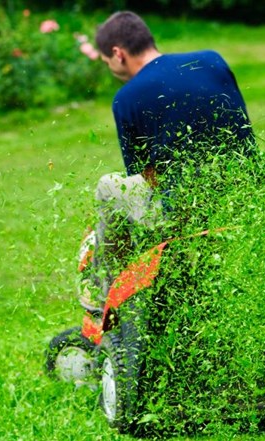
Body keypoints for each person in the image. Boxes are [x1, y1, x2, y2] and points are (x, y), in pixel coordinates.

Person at [79, 11, 256, 307]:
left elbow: (149, 178)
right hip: (249, 195)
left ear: (117, 53)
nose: (109, 67)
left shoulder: (127, 97)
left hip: (189, 214)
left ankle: (107, 293)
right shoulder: (212, 61)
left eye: (106, 61)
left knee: (109, 186)